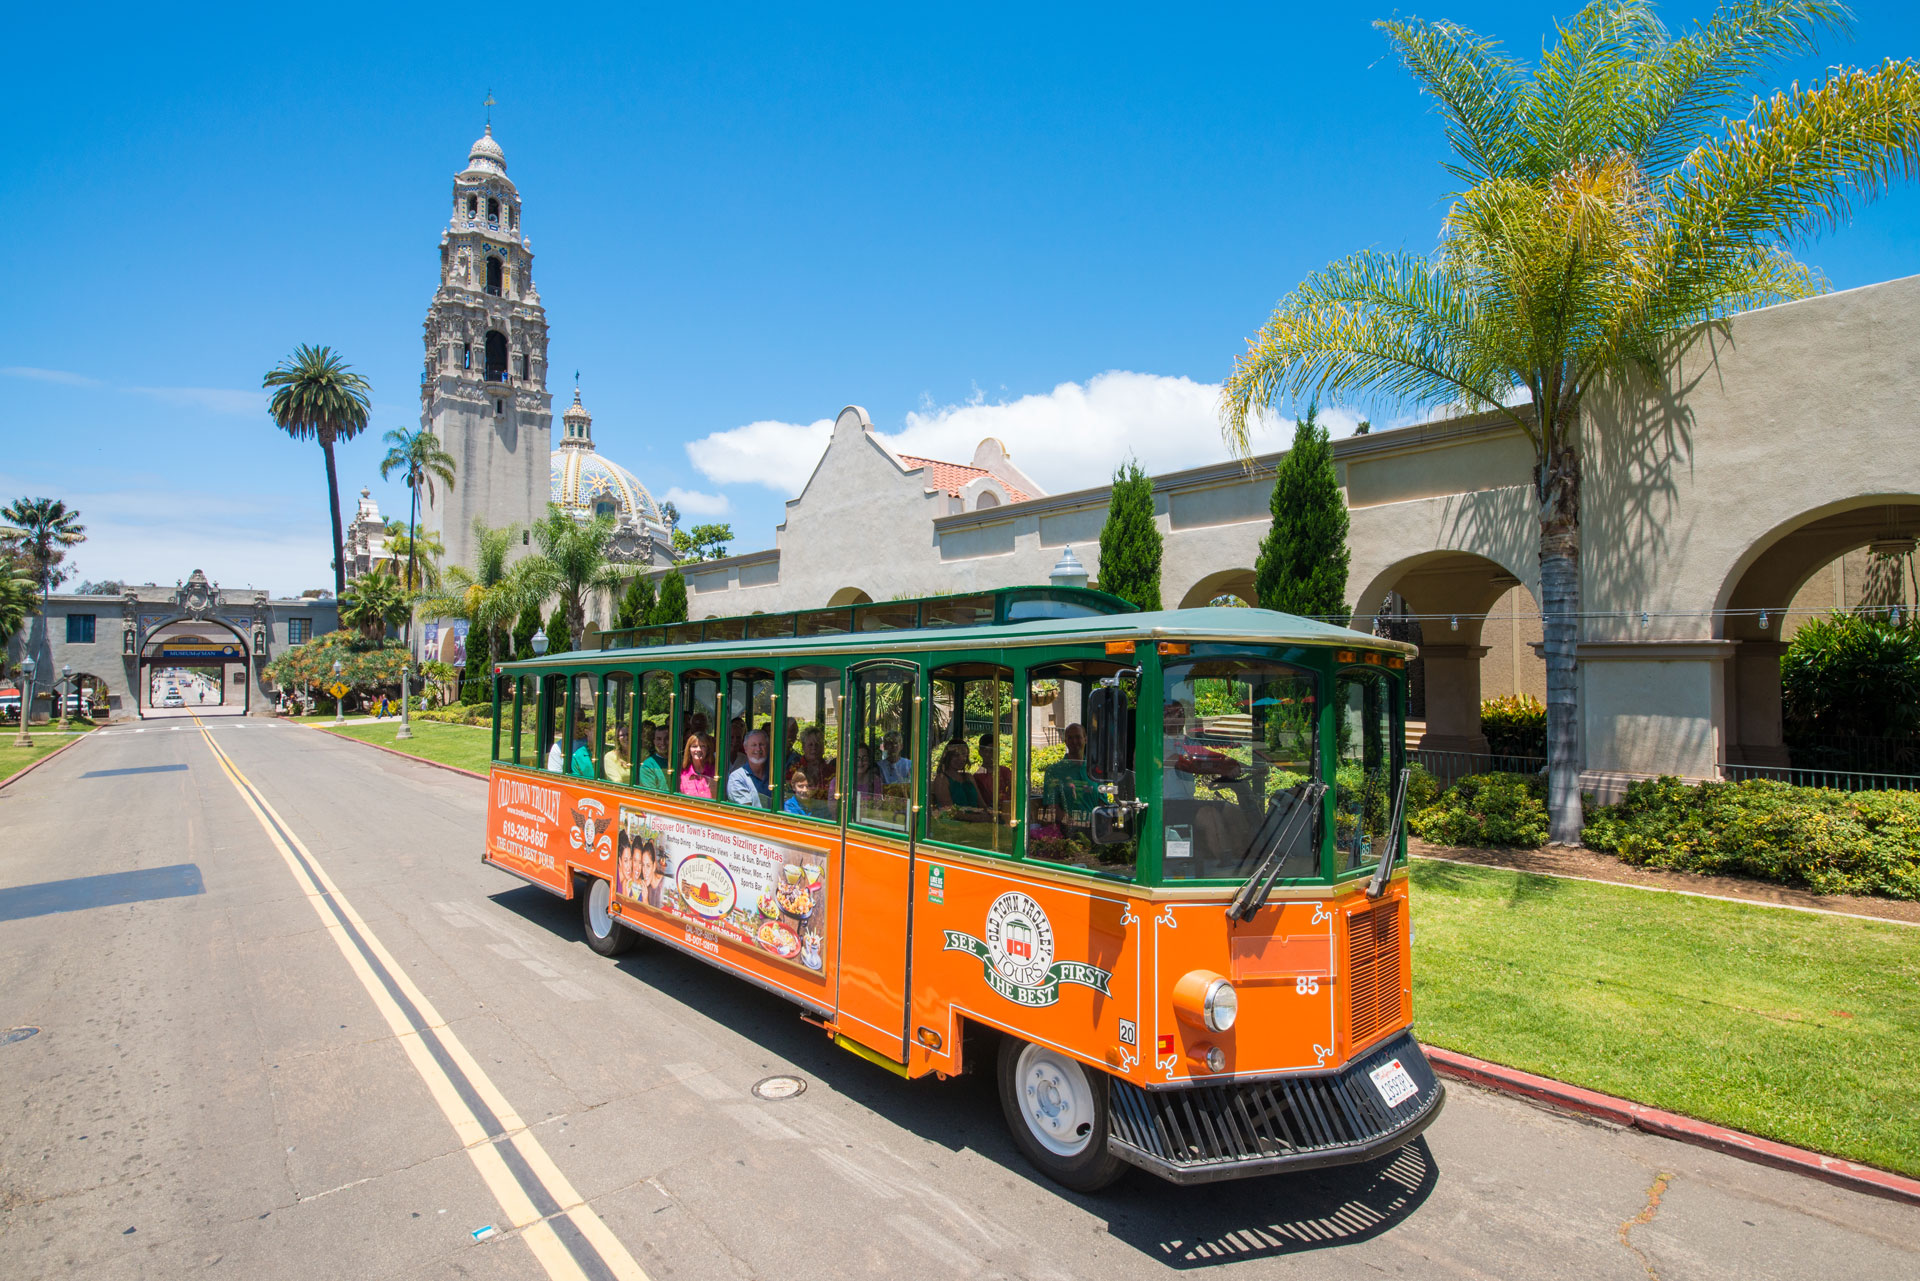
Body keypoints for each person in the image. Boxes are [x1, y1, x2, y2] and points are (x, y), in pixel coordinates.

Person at [1040, 721, 1102, 828]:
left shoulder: (1095, 771)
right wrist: (1077, 826)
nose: (1074, 741)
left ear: (1085, 739)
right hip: (1067, 834)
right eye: (1070, 738)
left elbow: (1102, 804)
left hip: (1095, 832)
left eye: (1078, 737)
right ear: (1065, 742)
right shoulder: (1054, 771)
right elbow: (1053, 807)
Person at [929, 740, 985, 812]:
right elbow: (949, 811)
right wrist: (978, 818)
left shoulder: (969, 777)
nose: (962, 759)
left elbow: (982, 804)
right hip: (954, 822)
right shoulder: (942, 779)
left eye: (965, 755)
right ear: (948, 756)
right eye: (956, 755)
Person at [727, 728, 773, 808]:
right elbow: (748, 812)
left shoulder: (774, 774)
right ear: (745, 748)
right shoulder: (737, 778)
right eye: (754, 745)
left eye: (761, 744)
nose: (758, 749)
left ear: (768, 748)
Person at [974, 731, 1015, 817]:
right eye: (987, 751)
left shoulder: (1006, 772)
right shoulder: (977, 777)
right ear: (980, 752)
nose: (990, 755)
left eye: (994, 751)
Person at [680, 733, 717, 798]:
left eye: (703, 746)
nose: (698, 749)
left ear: (708, 749)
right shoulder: (682, 772)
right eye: (694, 746)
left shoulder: (716, 771)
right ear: (689, 750)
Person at [638, 722, 672, 791]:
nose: (662, 742)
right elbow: (652, 795)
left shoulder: (680, 761)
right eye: (659, 739)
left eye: (667, 739)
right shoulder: (648, 765)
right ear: (654, 741)